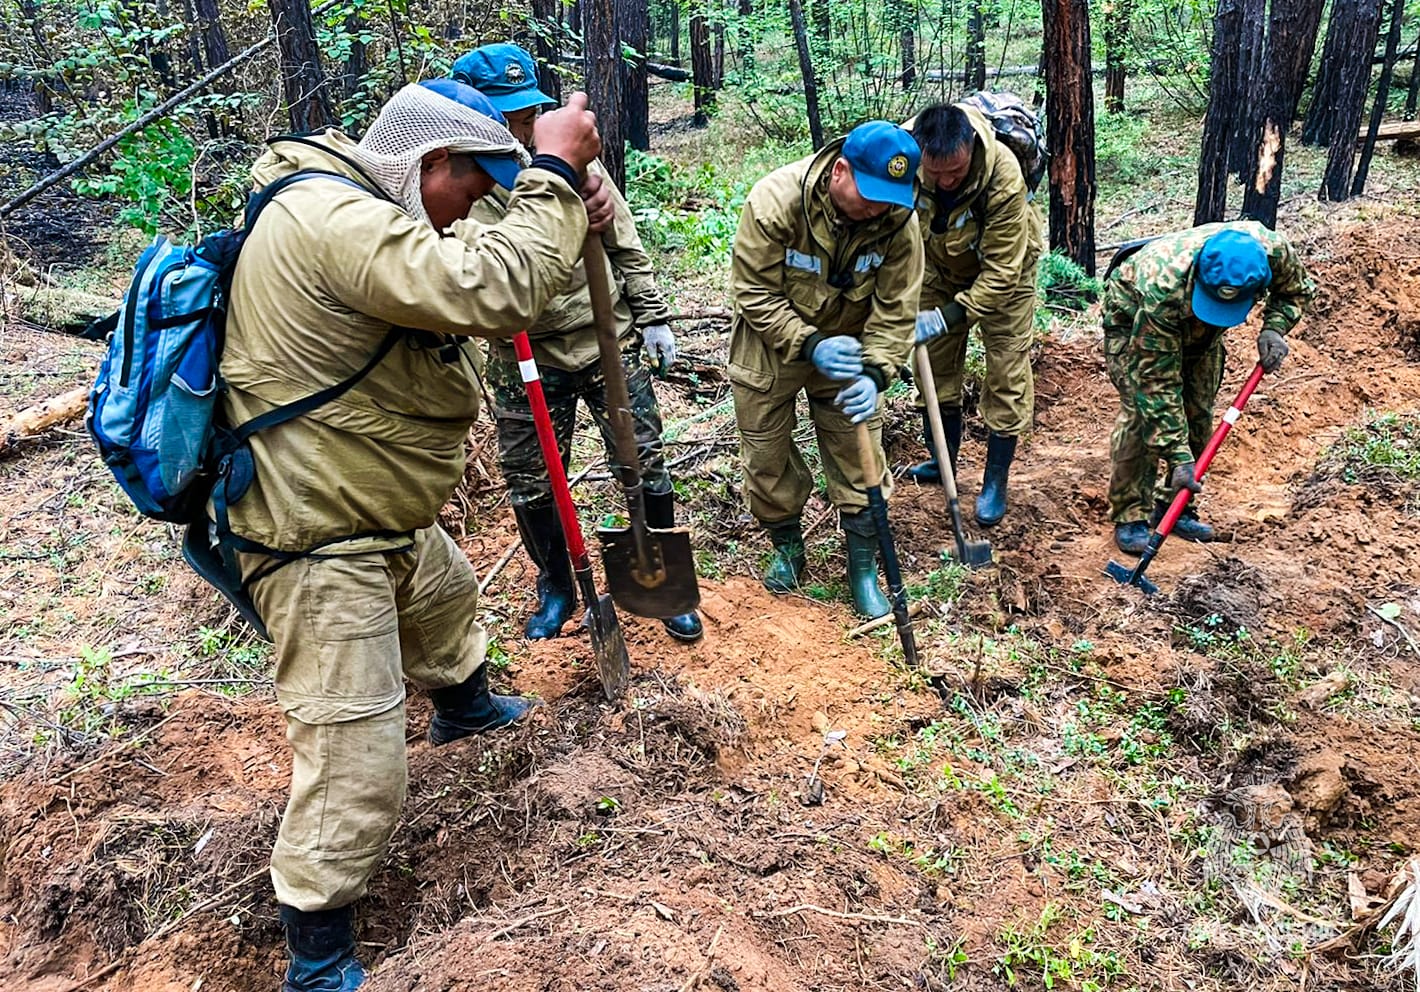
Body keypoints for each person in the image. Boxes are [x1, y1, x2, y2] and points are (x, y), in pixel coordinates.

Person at [205, 81, 607, 990]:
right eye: (472, 187)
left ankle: (463, 705)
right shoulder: (330, 218)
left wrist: (568, 197)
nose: (474, 207)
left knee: (444, 597)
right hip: (313, 530)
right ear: (430, 167)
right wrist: (548, 170)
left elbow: (474, 250)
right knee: (356, 749)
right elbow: (490, 281)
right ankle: (317, 949)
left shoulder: (363, 206)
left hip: (366, 506)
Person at [451, 42, 702, 643]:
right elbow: (476, 270)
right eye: (502, 112)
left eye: (523, 111)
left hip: (603, 338)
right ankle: (556, 584)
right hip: (523, 350)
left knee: (640, 458)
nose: (515, 124)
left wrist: (654, 316)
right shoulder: (462, 180)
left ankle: (659, 580)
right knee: (531, 477)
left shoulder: (573, 161)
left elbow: (624, 243)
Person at [728, 120, 923, 619]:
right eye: (870, 194)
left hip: (853, 345)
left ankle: (862, 570)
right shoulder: (776, 200)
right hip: (772, 340)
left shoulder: (898, 219)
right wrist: (807, 342)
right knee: (766, 452)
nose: (878, 209)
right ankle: (788, 548)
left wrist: (876, 373)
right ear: (840, 171)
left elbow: (898, 308)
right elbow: (753, 291)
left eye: (890, 198)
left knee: (859, 455)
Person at [1103, 221, 1314, 554]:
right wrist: (1178, 457)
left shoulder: (1272, 253)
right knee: (1142, 416)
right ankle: (1131, 514)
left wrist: (1274, 328)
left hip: (1198, 331)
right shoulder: (1163, 288)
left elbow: (1296, 290)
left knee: (1198, 412)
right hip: (1134, 320)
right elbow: (1156, 383)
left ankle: (1175, 507)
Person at [903, 101, 1043, 527]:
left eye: (956, 174)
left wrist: (948, 316)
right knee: (935, 365)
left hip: (1006, 271)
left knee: (1006, 371)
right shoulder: (903, 156)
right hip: (938, 265)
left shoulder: (1001, 173)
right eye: (936, 173)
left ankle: (995, 480)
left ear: (970, 152)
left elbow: (1001, 272)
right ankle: (942, 460)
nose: (945, 182)